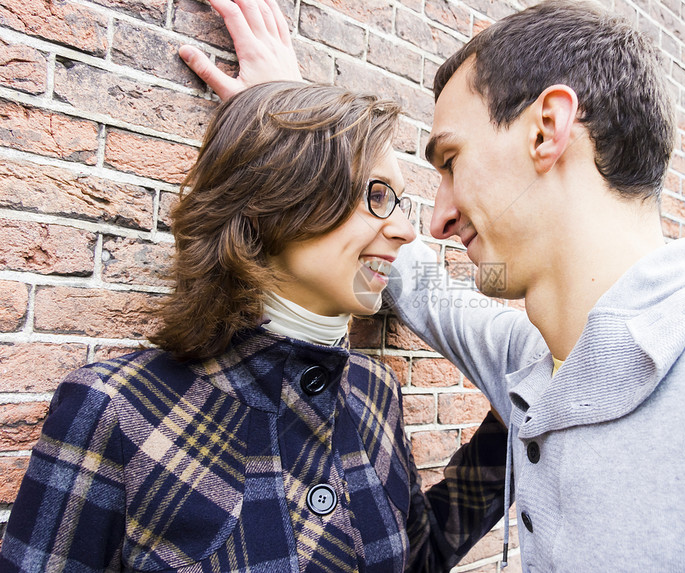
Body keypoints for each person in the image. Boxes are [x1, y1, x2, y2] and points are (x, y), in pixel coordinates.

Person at [180, 0, 685, 570]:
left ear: (548, 130)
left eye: (450, 159)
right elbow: (415, 279)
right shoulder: (529, 358)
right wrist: (305, 135)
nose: (439, 217)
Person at [0, 80, 510, 572]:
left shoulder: (373, 392)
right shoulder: (116, 410)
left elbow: (414, 556)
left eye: (397, 202)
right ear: (276, 199)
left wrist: (522, 413)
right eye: (376, 195)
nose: (403, 230)